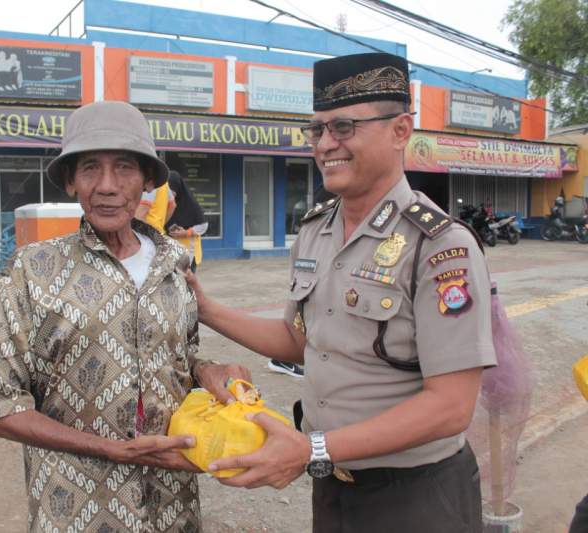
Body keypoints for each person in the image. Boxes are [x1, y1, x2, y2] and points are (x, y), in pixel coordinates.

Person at [188, 53, 496, 532]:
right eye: (318, 131)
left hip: (417, 496)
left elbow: (452, 406)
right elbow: (298, 342)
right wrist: (205, 308)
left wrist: (311, 448)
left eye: (345, 127)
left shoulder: (439, 246)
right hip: (333, 484)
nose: (326, 144)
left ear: (400, 131)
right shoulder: (315, 230)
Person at [0, 100, 249, 532]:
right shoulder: (31, 271)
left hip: (173, 509)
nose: (107, 185)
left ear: (146, 182)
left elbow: (179, 361)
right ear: (70, 182)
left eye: (124, 167)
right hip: (75, 511)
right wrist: (107, 449)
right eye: (89, 169)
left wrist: (209, 372)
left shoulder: (175, 264)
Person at [165, 170, 207, 271]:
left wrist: (185, 233)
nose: (171, 194)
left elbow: (203, 226)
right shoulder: (166, 203)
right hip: (170, 254)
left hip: (188, 255)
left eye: (173, 190)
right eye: (169, 191)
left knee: (186, 284)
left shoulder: (191, 205)